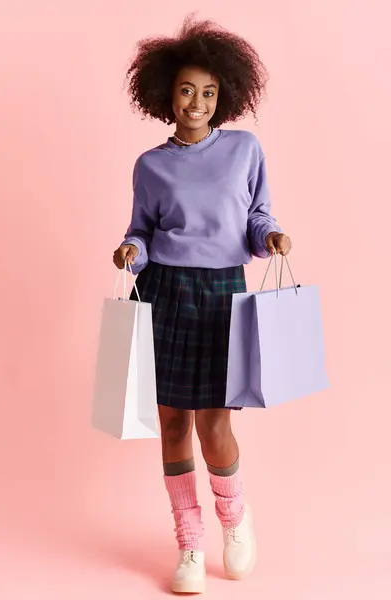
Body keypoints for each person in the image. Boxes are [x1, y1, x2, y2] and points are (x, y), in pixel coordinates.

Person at [113, 16, 292, 594]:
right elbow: (141, 231)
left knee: (215, 425)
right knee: (172, 426)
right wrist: (129, 250)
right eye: (187, 90)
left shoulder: (244, 149)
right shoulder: (150, 165)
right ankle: (189, 545)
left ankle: (235, 524)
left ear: (225, 97)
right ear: (167, 94)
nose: (197, 102)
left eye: (209, 92)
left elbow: (258, 212)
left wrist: (270, 237)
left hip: (222, 294)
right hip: (166, 290)